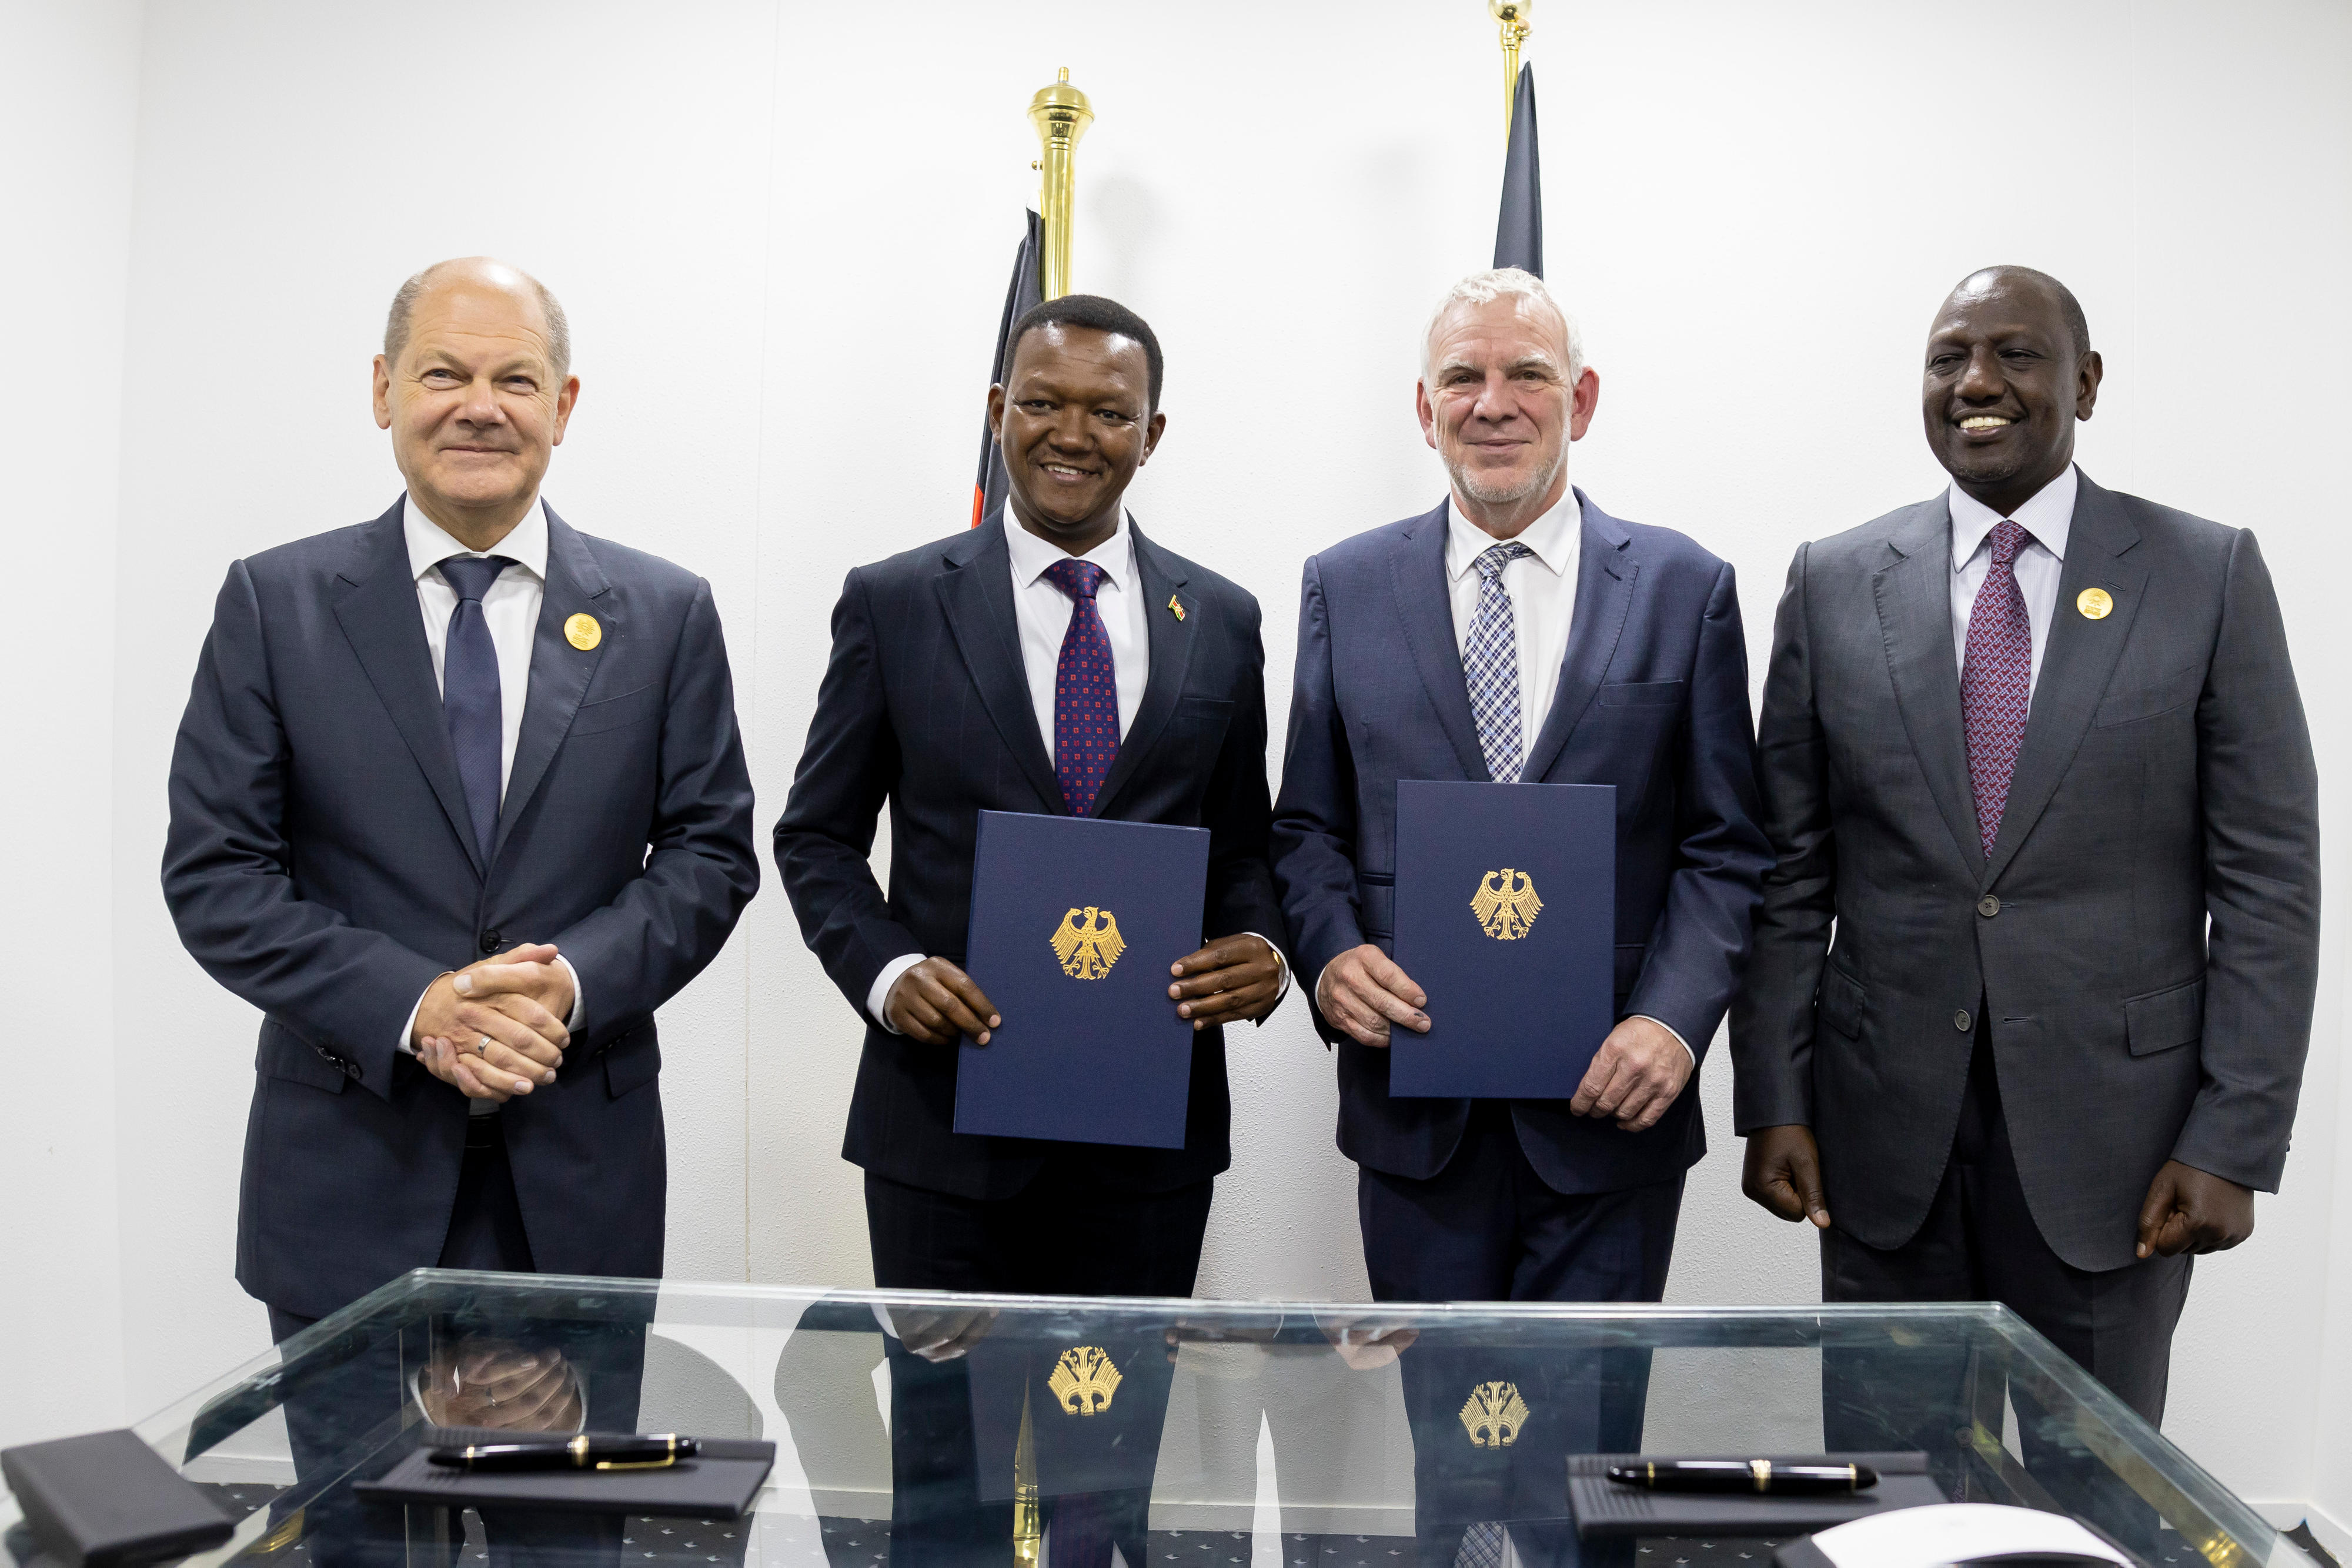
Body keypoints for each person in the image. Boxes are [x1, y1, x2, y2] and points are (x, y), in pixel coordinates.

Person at [1730, 266, 2321, 1428]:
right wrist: (1770, 1097)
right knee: (1887, 1497)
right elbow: (1788, 870)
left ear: (2085, 383)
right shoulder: (1832, 579)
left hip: (2120, 1149)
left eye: (2014, 354)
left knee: (2090, 1503)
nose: (1975, 383)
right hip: (1879, 1134)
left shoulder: (2203, 575)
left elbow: (2266, 882)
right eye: (1948, 356)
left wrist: (2233, 1137)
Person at [163, 256, 760, 1345]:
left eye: (517, 381)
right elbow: (218, 877)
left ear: (564, 407)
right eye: (444, 374)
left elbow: (711, 857)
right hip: (347, 1184)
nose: (479, 408)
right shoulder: (275, 604)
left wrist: (565, 985)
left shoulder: (667, 613)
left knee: (575, 1520)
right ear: (383, 389)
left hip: (581, 1187)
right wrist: (417, 1005)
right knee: (354, 1517)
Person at [1270, 266, 1769, 1310]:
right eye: (1463, 377)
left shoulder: (1686, 589)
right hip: (1417, 1115)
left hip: (1610, 1111)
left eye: (1527, 375)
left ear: (1581, 400)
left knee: (1591, 1460)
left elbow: (1726, 847)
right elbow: (1307, 828)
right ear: (1425, 410)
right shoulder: (1344, 586)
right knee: (1451, 1461)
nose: (1492, 403)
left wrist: (1673, 1025)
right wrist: (1329, 958)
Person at [774, 292, 1288, 1299]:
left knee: (1112, 1456)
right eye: (1044, 404)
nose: (1073, 435)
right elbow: (817, 840)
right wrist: (887, 973)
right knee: (940, 1453)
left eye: (1110, 413)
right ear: (999, 408)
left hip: (1150, 1137)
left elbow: (1242, 847)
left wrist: (1267, 951)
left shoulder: (1222, 619)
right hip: (940, 1125)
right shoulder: (896, 601)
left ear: (1153, 434)